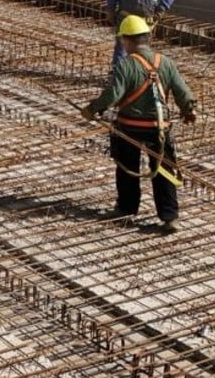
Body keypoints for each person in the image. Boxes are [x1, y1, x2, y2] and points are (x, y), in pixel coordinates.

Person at [81, 14, 196, 233]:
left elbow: (113, 94)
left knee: (126, 168)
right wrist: (189, 109)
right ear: (148, 37)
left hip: (129, 127)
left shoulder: (126, 65)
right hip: (159, 128)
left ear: (127, 40)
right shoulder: (166, 63)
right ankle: (170, 217)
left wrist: (93, 108)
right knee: (163, 171)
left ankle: (126, 207)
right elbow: (183, 92)